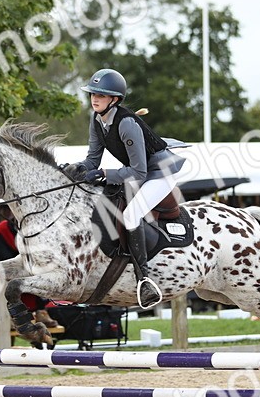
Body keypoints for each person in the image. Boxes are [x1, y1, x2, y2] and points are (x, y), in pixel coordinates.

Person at [64, 68, 189, 308]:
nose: (94, 98)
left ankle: (144, 279)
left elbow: (139, 171)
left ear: (115, 99)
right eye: (92, 94)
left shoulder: (127, 123)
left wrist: (102, 174)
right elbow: (92, 160)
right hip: (137, 172)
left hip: (159, 173)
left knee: (131, 214)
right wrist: (75, 169)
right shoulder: (96, 120)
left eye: (101, 95)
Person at [0, 207, 59, 329]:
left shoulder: (33, 230)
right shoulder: (1, 230)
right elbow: (0, 256)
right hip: (9, 269)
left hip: (30, 268)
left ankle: (41, 311)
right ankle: (11, 317)